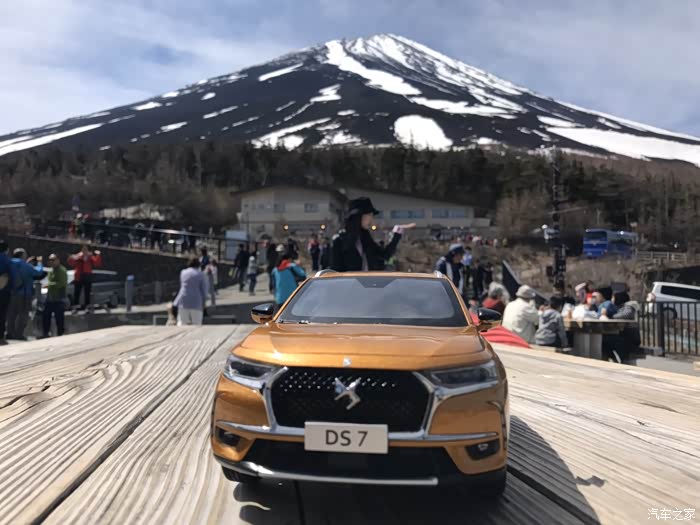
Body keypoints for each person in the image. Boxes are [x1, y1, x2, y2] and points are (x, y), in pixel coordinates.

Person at [330, 197, 415, 272]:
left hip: (369, 284)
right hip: (349, 285)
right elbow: (335, 273)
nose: (371, 219)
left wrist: (397, 233)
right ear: (359, 216)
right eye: (369, 215)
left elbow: (385, 255)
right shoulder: (339, 240)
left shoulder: (365, 238)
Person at [7, 249, 45, 340]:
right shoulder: (25, 265)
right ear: (23, 255)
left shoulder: (9, 263)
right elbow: (38, 272)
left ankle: (9, 333)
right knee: (23, 314)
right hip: (24, 294)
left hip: (11, 294)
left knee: (11, 314)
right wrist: (40, 263)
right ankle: (18, 334)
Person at [173, 257, 208, 326]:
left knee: (182, 322)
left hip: (183, 300)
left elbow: (182, 287)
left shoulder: (183, 273)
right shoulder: (201, 274)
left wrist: (176, 302)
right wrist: (204, 303)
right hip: (196, 301)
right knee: (196, 323)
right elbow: (204, 291)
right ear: (198, 264)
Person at [68, 245, 102, 311]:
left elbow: (97, 263)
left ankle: (87, 307)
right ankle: (75, 307)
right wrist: (70, 258)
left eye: (86, 249)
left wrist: (98, 255)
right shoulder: (78, 256)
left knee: (87, 293)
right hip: (78, 276)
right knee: (77, 293)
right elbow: (71, 263)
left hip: (87, 276)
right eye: (83, 249)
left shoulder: (90, 257)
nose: (84, 250)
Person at [42, 254, 67, 338]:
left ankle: (60, 333)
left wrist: (49, 285)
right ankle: (46, 333)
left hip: (59, 298)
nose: (51, 262)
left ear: (58, 260)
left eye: (53, 260)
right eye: (50, 260)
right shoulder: (51, 271)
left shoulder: (62, 270)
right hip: (50, 298)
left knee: (59, 317)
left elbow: (62, 283)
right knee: (46, 315)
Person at [0, 241, 12, 345]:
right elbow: (13, 276)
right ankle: (0, 337)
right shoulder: (7, 261)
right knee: (2, 314)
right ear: (7, 250)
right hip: (4, 291)